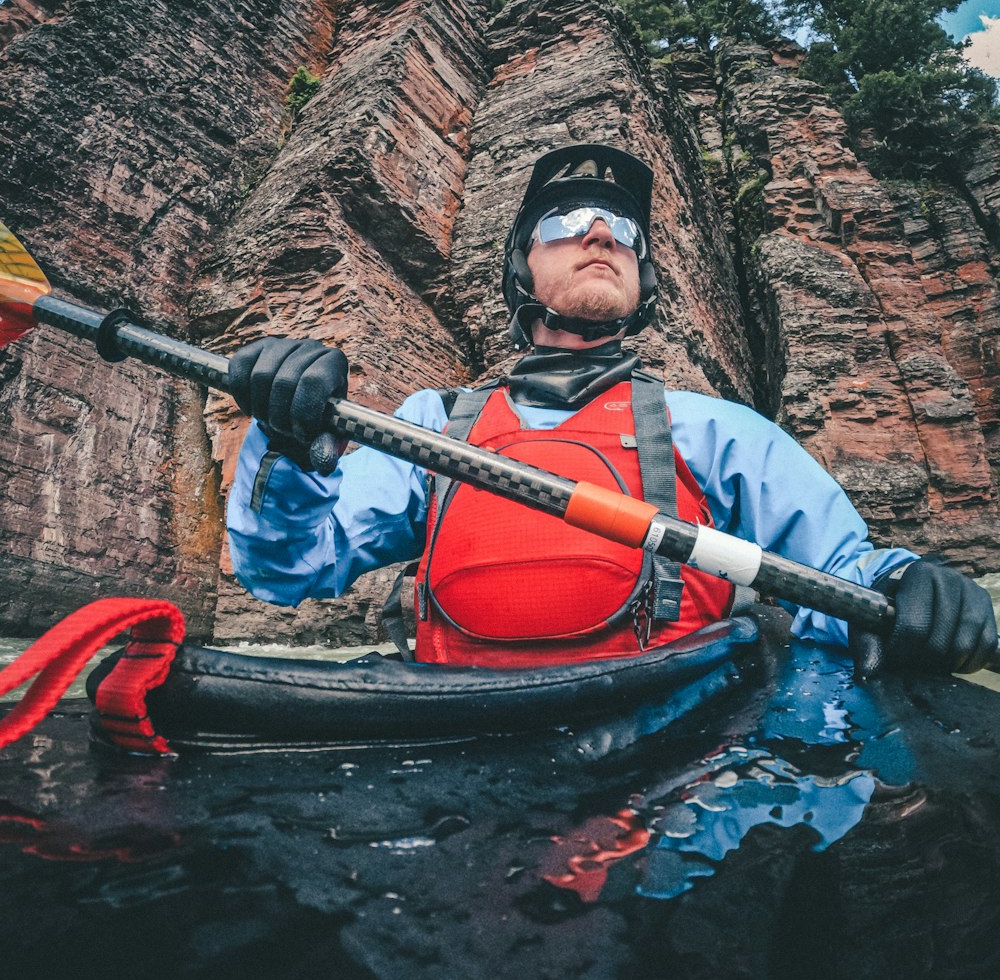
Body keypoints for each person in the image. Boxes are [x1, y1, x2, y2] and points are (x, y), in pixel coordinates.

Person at [226, 143, 996, 676]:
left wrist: (906, 587)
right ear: (519, 268)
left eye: (622, 228)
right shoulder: (432, 425)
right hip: (459, 737)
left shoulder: (717, 432)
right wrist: (289, 443)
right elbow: (289, 567)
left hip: (673, 763)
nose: (600, 233)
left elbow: (836, 578)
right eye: (564, 225)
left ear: (645, 277)